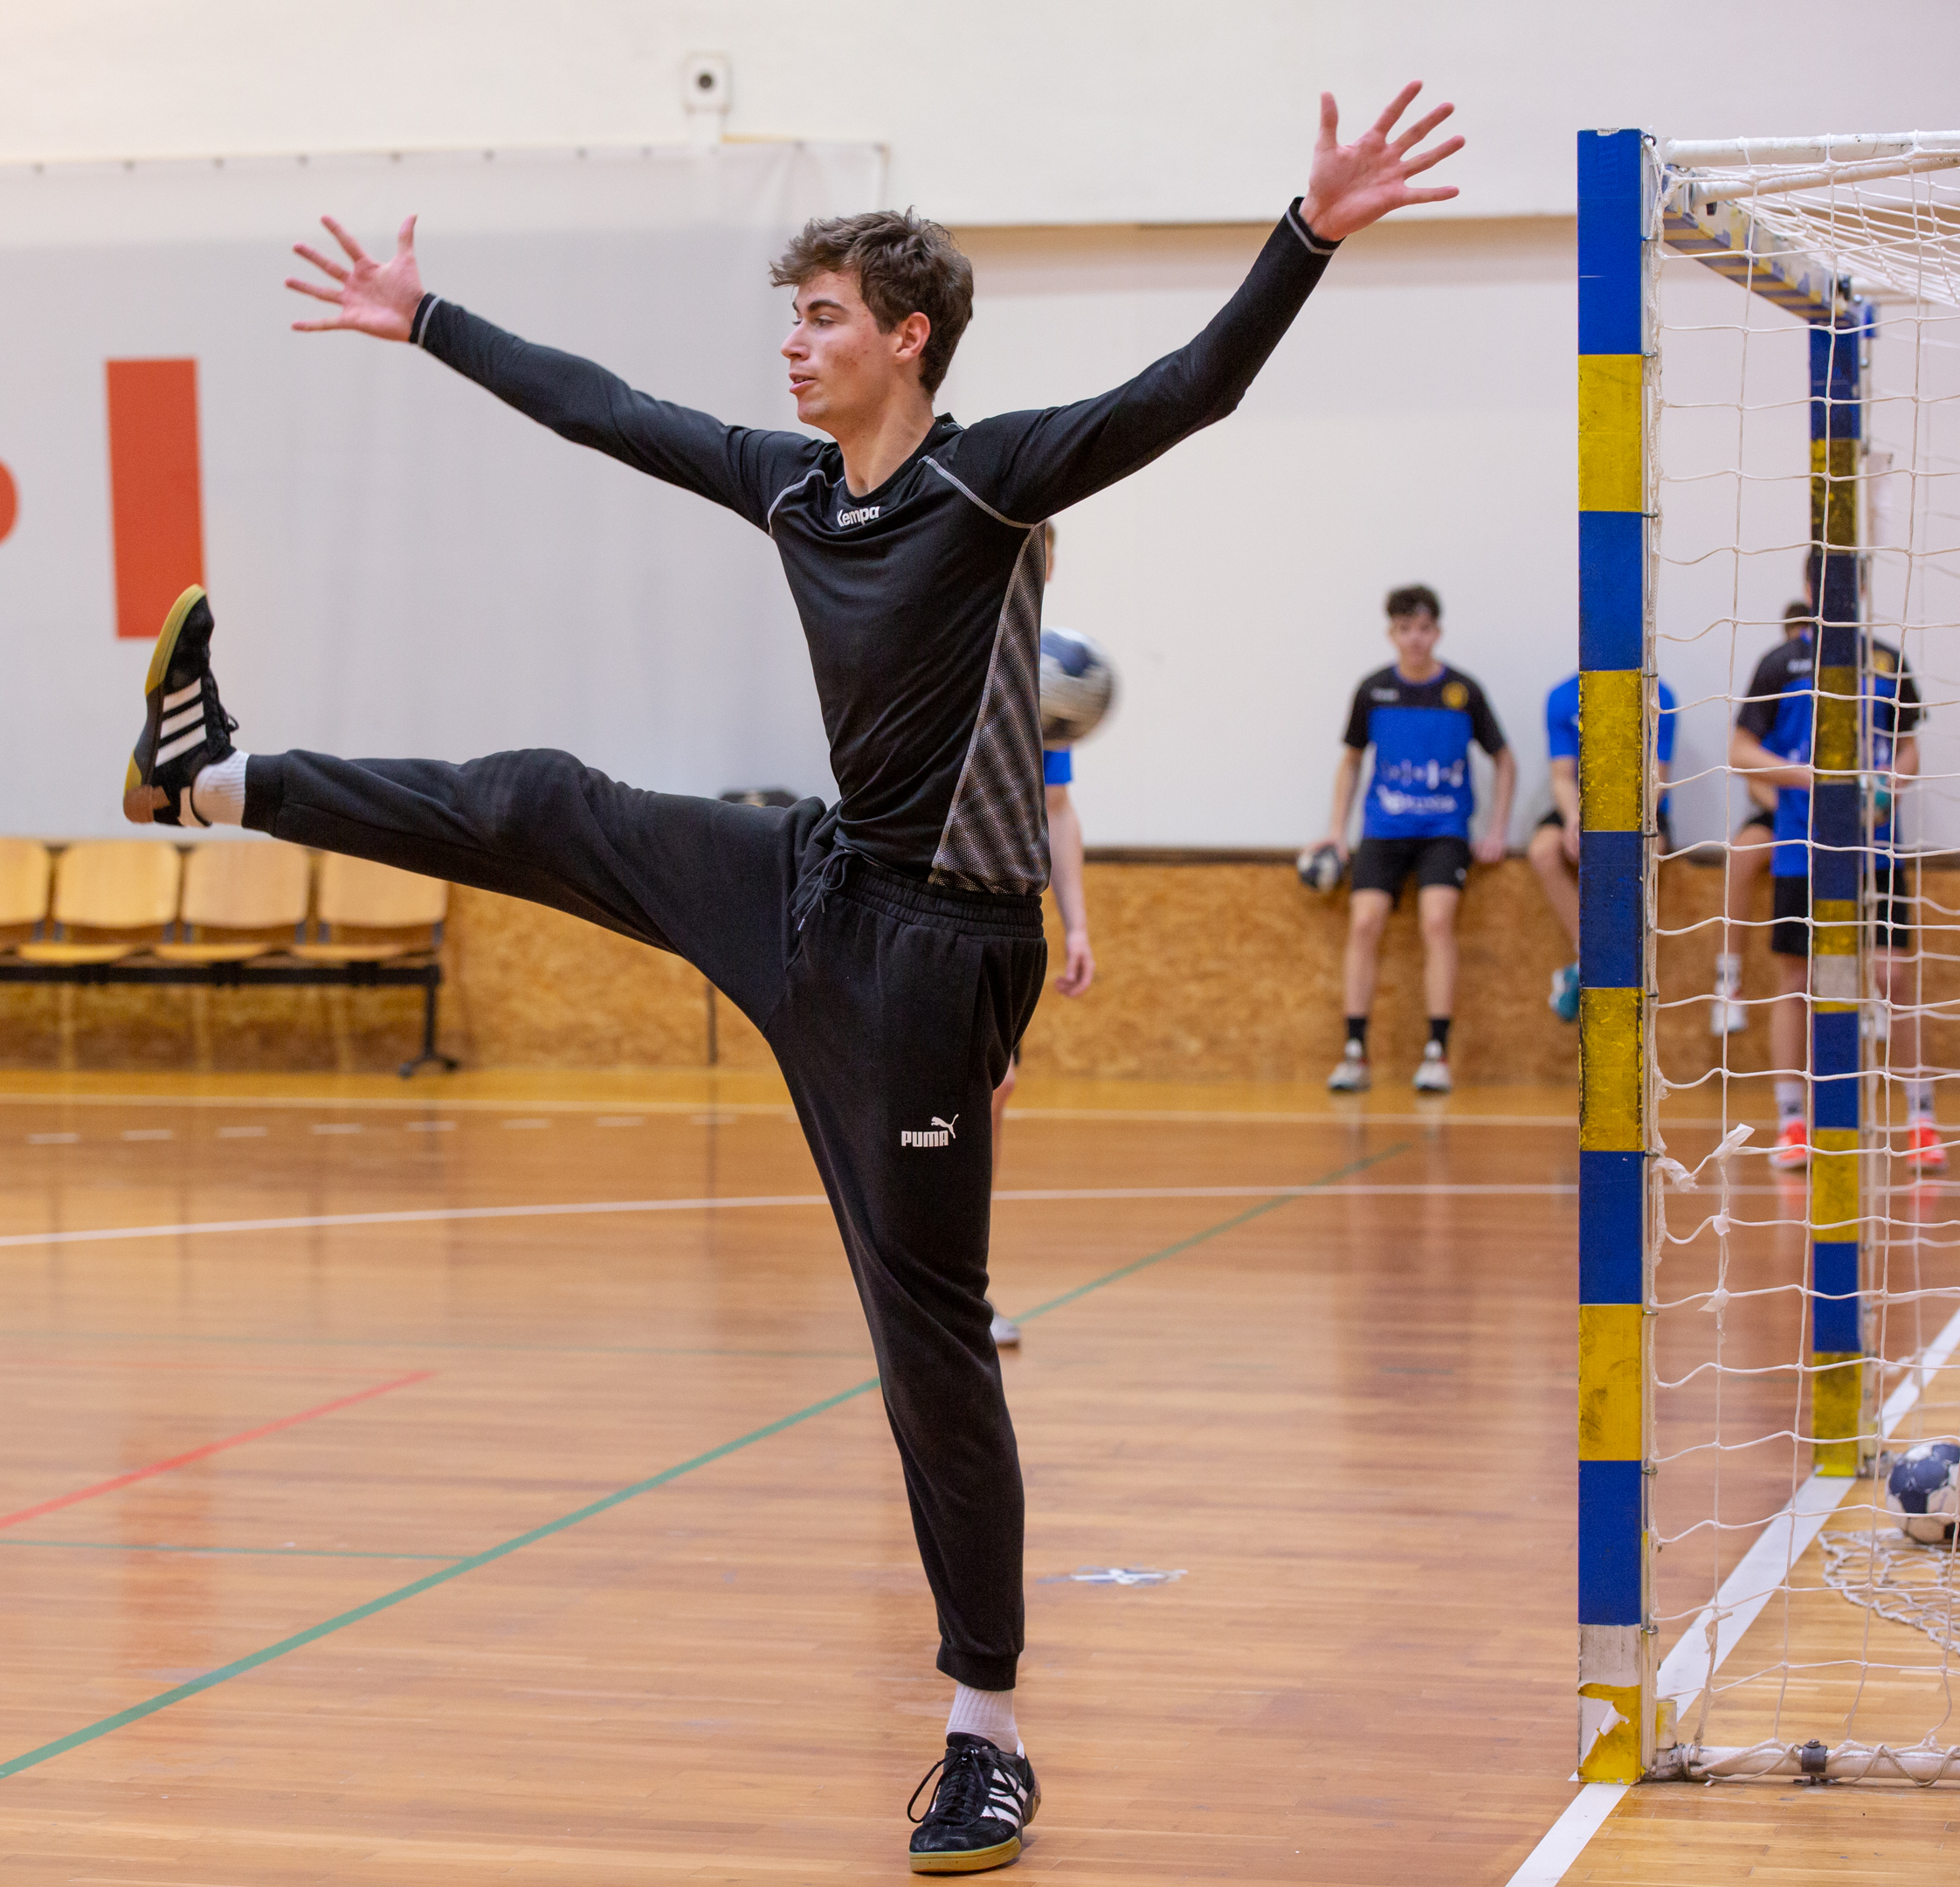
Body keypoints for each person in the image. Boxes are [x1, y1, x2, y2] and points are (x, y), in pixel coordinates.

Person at [126, 86, 1459, 1876]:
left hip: (936, 959)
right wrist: (424, 317)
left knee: (927, 1343)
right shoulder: (789, 485)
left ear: (907, 339)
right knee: (546, 803)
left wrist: (1308, 233)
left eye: (823, 316)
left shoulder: (990, 480)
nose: (793, 343)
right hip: (816, 880)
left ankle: (986, 1733)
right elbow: (606, 411)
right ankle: (209, 783)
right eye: (793, 316)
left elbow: (1191, 388)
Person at [1728, 612, 1936, 1172]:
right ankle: (1792, 1121)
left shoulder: (1886, 660)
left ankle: (1921, 1121)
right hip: (1802, 847)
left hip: (1875, 848)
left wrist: (1887, 787)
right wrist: (1812, 779)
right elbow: (1740, 751)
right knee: (1798, 980)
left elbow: (1908, 746)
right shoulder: (1782, 663)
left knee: (1893, 976)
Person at [1317, 584, 1514, 1095]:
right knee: (1364, 923)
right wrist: (1337, 831)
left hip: (1443, 831)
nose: (1415, 639)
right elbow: (1351, 761)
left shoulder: (1463, 692)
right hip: (1383, 830)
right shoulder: (1373, 691)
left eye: (1424, 628)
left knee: (1437, 921)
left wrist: (1497, 829)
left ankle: (1436, 1053)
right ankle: (1354, 1052)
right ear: (1392, 634)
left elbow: (1504, 759)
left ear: (1437, 632)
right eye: (1405, 629)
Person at [983, 522, 1099, 1351]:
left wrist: (1078, 922)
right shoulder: (957, 650)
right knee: (970, 1092)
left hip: (1005, 913)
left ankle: (963, 1287)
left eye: (1040, 551)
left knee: (995, 1088)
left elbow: (1056, 810)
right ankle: (935, 1287)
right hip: (923, 899)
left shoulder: (1043, 675)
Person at [1527, 666, 1676, 1021]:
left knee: (1649, 852)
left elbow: (1658, 779)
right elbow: (1562, 776)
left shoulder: (1659, 696)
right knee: (1543, 851)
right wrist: (1575, 818)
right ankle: (1589, 957)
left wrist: (1617, 830)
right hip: (1582, 804)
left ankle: (1587, 969)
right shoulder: (1564, 696)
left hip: (1639, 808)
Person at [1713, 599, 1814, 1033]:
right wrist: (1787, 806)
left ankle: (1875, 1000)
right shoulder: (1776, 690)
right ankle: (1728, 981)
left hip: (1827, 818)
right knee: (1742, 853)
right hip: (1782, 811)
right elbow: (1753, 777)